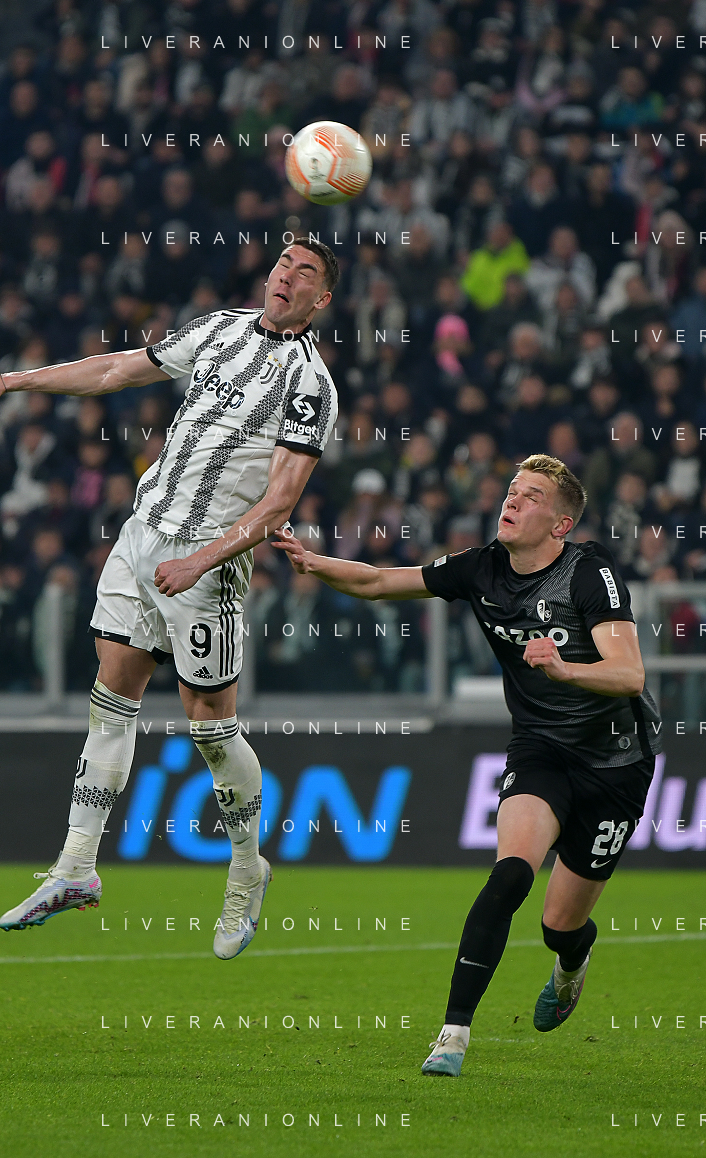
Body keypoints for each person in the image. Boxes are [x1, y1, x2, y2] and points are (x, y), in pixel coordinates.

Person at [0, 238, 340, 957]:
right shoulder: (219, 327)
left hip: (209, 564)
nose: (287, 276)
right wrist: (13, 381)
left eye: (306, 273)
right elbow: (115, 369)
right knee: (112, 694)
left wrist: (201, 559)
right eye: (283, 264)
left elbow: (279, 503)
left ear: (321, 300)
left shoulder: (309, 384)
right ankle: (75, 868)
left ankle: (246, 868)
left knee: (210, 727)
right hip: (141, 537)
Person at [273, 453, 660, 1076]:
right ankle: (453, 1036)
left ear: (561, 525)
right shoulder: (480, 568)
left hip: (615, 762)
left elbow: (630, 673)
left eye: (532, 496)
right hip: (541, 749)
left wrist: (564, 669)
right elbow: (378, 582)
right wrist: (314, 563)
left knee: (560, 925)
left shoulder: (590, 573)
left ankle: (572, 958)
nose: (512, 500)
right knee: (509, 876)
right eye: (512, 490)